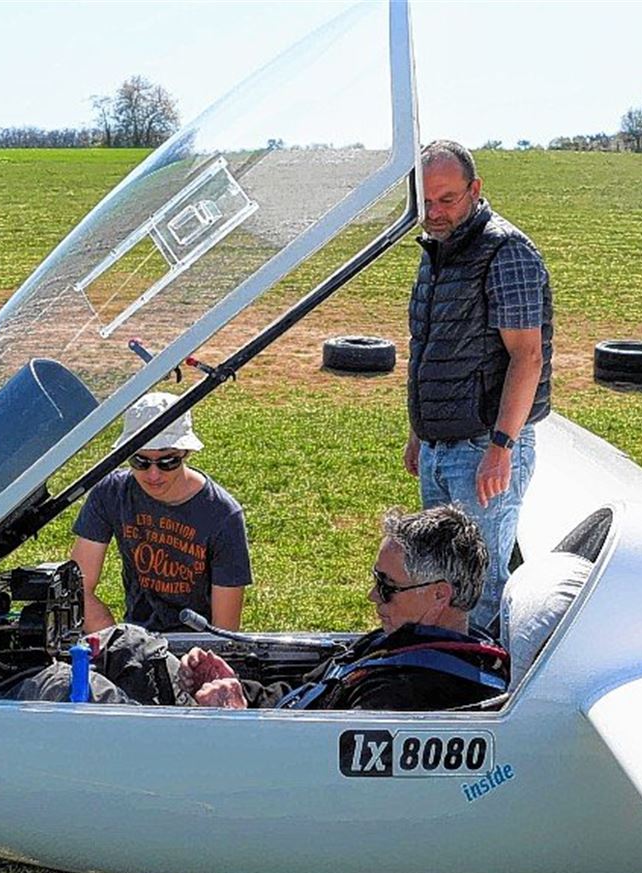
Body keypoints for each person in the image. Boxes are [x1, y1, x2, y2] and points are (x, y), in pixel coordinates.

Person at [403, 139, 552, 640]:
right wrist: (418, 431)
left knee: (482, 587)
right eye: (425, 202)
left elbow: (526, 356)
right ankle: (445, 673)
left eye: (447, 199)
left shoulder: (506, 252)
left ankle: (489, 694)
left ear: (476, 189)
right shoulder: (437, 253)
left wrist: (502, 446)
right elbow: (427, 344)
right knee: (437, 580)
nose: (435, 213)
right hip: (440, 447)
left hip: (483, 449)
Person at [179, 504, 509, 711]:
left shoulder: (409, 695)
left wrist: (237, 723)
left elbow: (320, 779)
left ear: (439, 595)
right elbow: (306, 692)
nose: (373, 596)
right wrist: (238, 687)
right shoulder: (395, 644)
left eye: (387, 586)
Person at [70, 391, 252, 635]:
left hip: (195, 647)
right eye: (140, 461)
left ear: (186, 453)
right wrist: (115, 646)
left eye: (167, 462)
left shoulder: (223, 514)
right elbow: (78, 586)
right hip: (138, 640)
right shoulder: (111, 492)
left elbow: (224, 632)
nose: (153, 474)